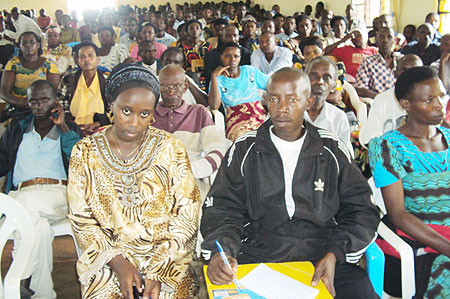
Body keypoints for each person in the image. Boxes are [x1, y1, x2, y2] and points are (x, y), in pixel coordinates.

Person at [201, 67, 380, 299]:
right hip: (259, 253)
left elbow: (362, 209)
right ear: (265, 102)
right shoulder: (245, 149)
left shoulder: (331, 149)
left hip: (323, 253)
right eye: (274, 99)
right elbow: (223, 207)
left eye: (292, 99)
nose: (282, 108)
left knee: (360, 292)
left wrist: (336, 252)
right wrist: (223, 251)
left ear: (308, 102)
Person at [67, 63, 201, 298]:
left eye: (144, 113)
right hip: (109, 259)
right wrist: (118, 263)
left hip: (167, 258)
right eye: (126, 111)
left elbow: (187, 214)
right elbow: (81, 219)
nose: (134, 122)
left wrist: (160, 270)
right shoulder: (84, 152)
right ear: (111, 106)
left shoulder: (170, 148)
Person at [368, 66, 450, 298]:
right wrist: (447, 247)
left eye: (442, 95)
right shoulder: (388, 147)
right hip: (421, 241)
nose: (439, 104)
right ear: (406, 105)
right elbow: (398, 214)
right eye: (428, 99)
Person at [0, 80, 81, 298]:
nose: (38, 105)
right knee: (40, 230)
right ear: (27, 102)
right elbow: (2, 162)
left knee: (23, 207)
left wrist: (62, 125)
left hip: (57, 194)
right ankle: (42, 293)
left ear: (55, 101)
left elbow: (80, 159)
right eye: (33, 101)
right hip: (23, 193)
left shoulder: (69, 127)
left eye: (44, 100)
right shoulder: (17, 128)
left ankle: (21, 276)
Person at [153, 64, 225, 198]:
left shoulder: (198, 112)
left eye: (176, 86)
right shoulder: (149, 115)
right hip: (156, 182)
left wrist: (187, 170)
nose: (170, 91)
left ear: (186, 86)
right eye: (165, 86)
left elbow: (217, 153)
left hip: (192, 178)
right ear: (158, 87)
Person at [209, 42, 269, 141]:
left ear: (240, 58)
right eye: (228, 56)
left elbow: (271, 84)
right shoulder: (218, 79)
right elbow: (214, 106)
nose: (232, 60)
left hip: (258, 115)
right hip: (236, 119)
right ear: (221, 57)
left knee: (268, 136)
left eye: (236, 56)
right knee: (243, 141)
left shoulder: (250, 71)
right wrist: (214, 77)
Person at [359, 54, 423, 146]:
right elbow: (372, 140)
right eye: (403, 70)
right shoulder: (382, 100)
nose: (409, 75)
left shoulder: (429, 102)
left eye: (415, 71)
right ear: (395, 73)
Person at [1, 31, 60, 121]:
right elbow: (4, 92)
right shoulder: (13, 64)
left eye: (32, 42)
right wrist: (21, 102)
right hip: (18, 110)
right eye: (24, 43)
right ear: (20, 46)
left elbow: (54, 92)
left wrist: (38, 105)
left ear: (38, 45)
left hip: (44, 110)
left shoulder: (49, 64)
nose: (28, 45)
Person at [57, 41, 109, 135]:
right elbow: (61, 105)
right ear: (77, 61)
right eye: (82, 56)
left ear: (98, 59)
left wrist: (97, 124)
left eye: (90, 55)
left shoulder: (107, 82)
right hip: (72, 130)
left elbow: (113, 110)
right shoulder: (68, 79)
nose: (86, 59)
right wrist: (74, 126)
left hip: (100, 131)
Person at [303, 56, 353, 155]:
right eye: (314, 75)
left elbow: (345, 158)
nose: (320, 81)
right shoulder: (286, 110)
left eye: (326, 77)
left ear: (333, 87)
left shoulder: (338, 117)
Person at [355, 27, 402, 99]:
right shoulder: (368, 62)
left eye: (389, 37)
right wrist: (382, 98)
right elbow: (360, 89)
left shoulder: (401, 60)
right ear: (376, 40)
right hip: (378, 103)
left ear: (394, 41)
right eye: (381, 37)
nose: (385, 40)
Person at [204, 24, 252, 90]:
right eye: (228, 36)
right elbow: (209, 78)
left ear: (239, 37)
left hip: (241, 89)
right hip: (218, 89)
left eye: (235, 36)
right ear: (222, 38)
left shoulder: (247, 54)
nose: (232, 39)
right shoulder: (211, 55)